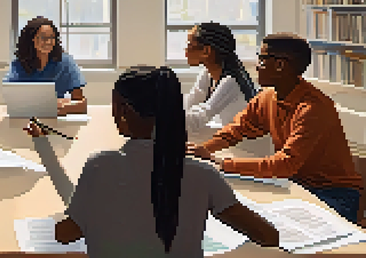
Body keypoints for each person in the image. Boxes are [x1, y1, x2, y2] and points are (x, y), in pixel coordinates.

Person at [24, 66, 278, 257]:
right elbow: (267, 236)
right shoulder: (203, 174)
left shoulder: (101, 166)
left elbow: (66, 233)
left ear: (124, 111)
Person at [188, 33, 363, 224]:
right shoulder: (268, 97)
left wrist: (221, 163)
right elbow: (237, 129)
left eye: (262, 59)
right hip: (297, 186)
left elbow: (285, 164)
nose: (256, 66)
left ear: (280, 65)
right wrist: (205, 149)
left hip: (335, 194)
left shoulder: (313, 108)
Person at [184, 22, 258, 137]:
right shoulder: (207, 74)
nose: (185, 50)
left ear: (206, 51)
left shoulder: (230, 82)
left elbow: (201, 116)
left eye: (189, 44)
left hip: (242, 146)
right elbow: (191, 102)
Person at [5, 16, 87, 116]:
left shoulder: (66, 62)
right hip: (26, 120)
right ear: (31, 39)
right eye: (43, 37)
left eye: (52, 37)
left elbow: (81, 104)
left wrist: (64, 108)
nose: (48, 42)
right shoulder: (18, 65)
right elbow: (11, 100)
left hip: (57, 121)